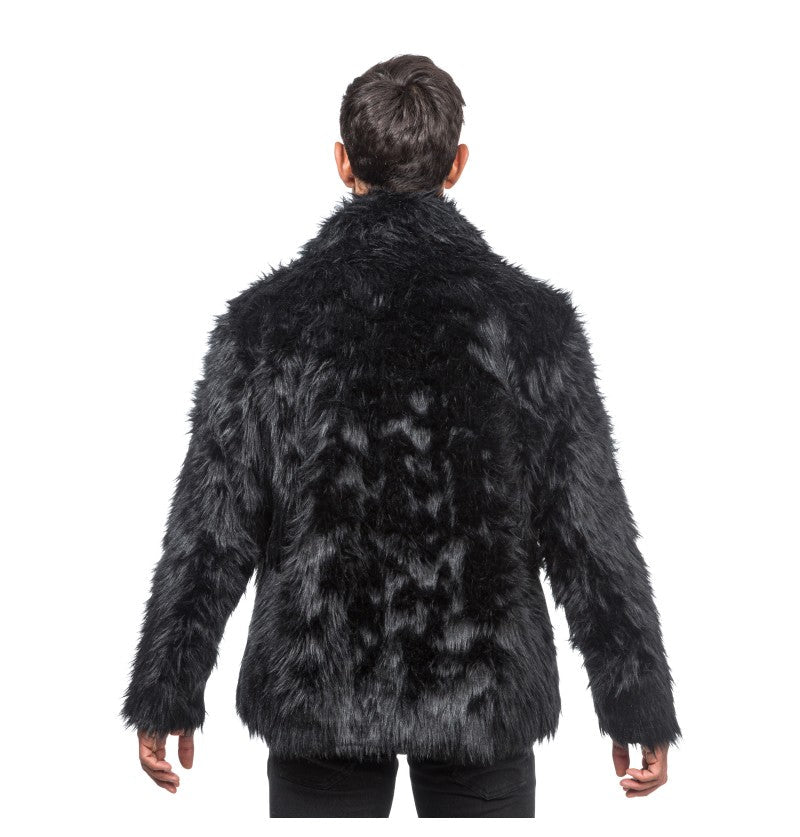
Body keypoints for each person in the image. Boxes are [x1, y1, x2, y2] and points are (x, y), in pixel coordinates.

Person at [121, 54, 680, 818]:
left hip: (319, 680)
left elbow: (212, 527)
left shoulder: (266, 325)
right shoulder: (532, 325)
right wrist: (637, 701)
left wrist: (168, 685)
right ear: (457, 165)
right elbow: (588, 530)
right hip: (481, 681)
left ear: (343, 163)